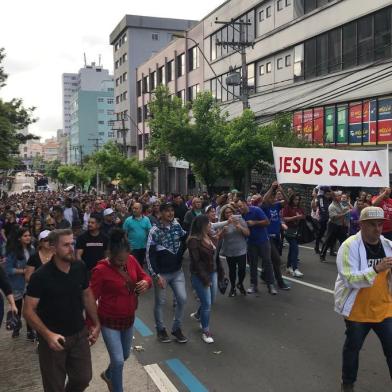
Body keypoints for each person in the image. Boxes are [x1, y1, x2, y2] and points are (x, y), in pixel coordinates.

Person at [23, 229, 100, 392]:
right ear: (53, 248)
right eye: (66, 245)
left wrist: (96, 323)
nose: (71, 248)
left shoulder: (79, 267)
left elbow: (87, 295)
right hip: (53, 340)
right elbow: (28, 310)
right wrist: (48, 335)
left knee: (83, 378)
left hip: (79, 334)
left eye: (72, 243)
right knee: (54, 386)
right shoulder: (40, 276)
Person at [334, 207, 392, 392]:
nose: (377, 229)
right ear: (361, 225)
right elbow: (349, 279)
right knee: (353, 349)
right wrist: (376, 269)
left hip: (384, 308)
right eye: (372, 225)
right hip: (357, 310)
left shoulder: (388, 245)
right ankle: (348, 383)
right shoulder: (349, 246)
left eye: (380, 224)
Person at [90, 228, 152, 392]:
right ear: (110, 254)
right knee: (117, 360)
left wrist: (146, 282)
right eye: (118, 261)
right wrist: (91, 325)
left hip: (128, 318)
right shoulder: (100, 270)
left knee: (124, 356)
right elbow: (90, 298)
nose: (122, 264)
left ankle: (109, 374)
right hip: (109, 320)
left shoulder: (131, 260)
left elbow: (144, 276)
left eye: (124, 260)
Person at [146, 202, 188, 343]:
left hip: (177, 272)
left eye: (172, 211)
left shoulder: (177, 225)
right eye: (167, 211)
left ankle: (176, 328)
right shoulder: (155, 231)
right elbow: (149, 255)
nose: (170, 213)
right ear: (161, 213)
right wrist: (156, 275)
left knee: (182, 299)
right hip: (162, 274)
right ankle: (161, 330)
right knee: (160, 302)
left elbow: (185, 238)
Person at [188, 215, 220, 343]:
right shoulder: (193, 241)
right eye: (208, 223)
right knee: (207, 304)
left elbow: (214, 255)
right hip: (200, 275)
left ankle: (197, 314)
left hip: (212, 272)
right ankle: (206, 331)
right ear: (202, 225)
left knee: (211, 300)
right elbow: (196, 263)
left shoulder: (207, 236)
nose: (211, 225)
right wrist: (205, 279)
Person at [237, 198, 278, 295]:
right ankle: (253, 285)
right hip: (251, 242)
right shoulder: (241, 215)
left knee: (267, 262)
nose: (239, 208)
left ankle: (271, 285)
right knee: (252, 264)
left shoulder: (256, 210)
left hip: (263, 241)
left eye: (240, 206)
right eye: (238, 207)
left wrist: (254, 222)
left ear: (245, 203)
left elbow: (267, 222)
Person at [5, 227, 35, 339]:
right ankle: (16, 327)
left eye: (29, 235)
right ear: (19, 238)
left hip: (30, 284)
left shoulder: (32, 249)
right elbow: (8, 270)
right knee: (17, 307)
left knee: (29, 309)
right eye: (25, 236)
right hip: (17, 285)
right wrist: (23, 271)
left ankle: (30, 330)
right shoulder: (13, 252)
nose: (28, 238)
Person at [261, 182, 291, 290]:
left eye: (274, 196)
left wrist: (281, 190)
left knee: (272, 259)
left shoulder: (277, 205)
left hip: (277, 236)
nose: (273, 198)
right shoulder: (264, 206)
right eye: (271, 196)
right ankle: (280, 282)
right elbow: (264, 199)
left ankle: (264, 274)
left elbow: (287, 202)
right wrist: (272, 187)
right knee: (277, 260)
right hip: (267, 238)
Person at [219, 204, 249, 296]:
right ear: (224, 215)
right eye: (227, 213)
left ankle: (240, 283)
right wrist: (223, 231)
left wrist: (239, 226)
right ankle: (233, 287)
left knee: (242, 270)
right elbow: (218, 237)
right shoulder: (223, 223)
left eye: (231, 212)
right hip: (230, 250)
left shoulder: (239, 220)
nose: (229, 214)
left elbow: (247, 233)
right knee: (232, 271)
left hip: (241, 249)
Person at [320, 192, 350, 262]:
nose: (340, 197)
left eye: (340, 195)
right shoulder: (331, 206)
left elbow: (343, 209)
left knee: (343, 241)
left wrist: (348, 207)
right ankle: (322, 255)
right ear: (334, 198)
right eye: (338, 196)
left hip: (339, 225)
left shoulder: (339, 204)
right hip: (332, 225)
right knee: (328, 240)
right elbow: (333, 217)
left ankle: (343, 256)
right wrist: (344, 214)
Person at [282, 194, 305, 277]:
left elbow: (303, 216)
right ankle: (295, 269)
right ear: (292, 200)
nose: (297, 201)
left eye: (298, 199)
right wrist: (295, 217)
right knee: (295, 249)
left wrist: (301, 217)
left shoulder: (299, 208)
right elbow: (284, 218)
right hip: (289, 231)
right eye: (295, 199)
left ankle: (288, 267)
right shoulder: (288, 207)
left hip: (296, 231)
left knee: (292, 249)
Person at [122, 202, 152, 267]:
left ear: (141, 209)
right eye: (133, 208)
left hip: (143, 247)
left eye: (136, 208)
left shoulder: (146, 219)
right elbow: (124, 234)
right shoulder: (128, 220)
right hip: (132, 248)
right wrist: (128, 244)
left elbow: (150, 232)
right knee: (133, 265)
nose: (134, 210)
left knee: (140, 265)